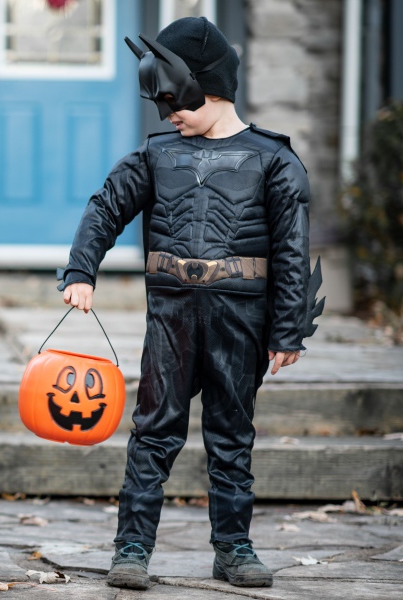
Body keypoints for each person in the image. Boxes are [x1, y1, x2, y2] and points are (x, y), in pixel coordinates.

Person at [58, 17, 321, 590]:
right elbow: (105, 207)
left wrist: (287, 329)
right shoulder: (157, 156)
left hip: (240, 318)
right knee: (154, 430)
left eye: (174, 100)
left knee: (231, 434)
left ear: (207, 84)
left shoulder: (274, 160)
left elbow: (292, 249)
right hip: (171, 316)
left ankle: (233, 547)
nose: (167, 114)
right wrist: (82, 269)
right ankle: (132, 548)